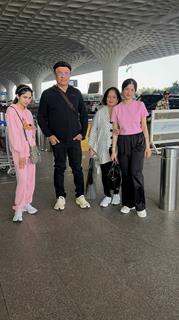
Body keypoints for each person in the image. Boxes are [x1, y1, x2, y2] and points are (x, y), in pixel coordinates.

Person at [37, 61, 90, 210]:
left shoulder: (76, 92)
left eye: (66, 73)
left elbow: (84, 114)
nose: (63, 76)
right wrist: (49, 135)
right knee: (59, 167)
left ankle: (80, 195)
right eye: (60, 73)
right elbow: (41, 117)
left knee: (77, 168)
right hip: (58, 139)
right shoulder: (47, 94)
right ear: (55, 75)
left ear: (70, 74)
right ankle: (60, 197)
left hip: (74, 139)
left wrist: (82, 133)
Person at [111, 78, 151, 218]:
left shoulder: (140, 105)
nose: (129, 92)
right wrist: (113, 150)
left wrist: (148, 146)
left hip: (138, 140)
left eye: (132, 89)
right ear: (122, 90)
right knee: (126, 174)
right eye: (127, 88)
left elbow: (144, 127)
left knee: (136, 173)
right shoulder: (116, 108)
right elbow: (115, 131)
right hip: (123, 141)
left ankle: (140, 205)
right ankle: (128, 203)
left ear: (135, 91)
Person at [6, 85, 38, 222]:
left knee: (31, 178)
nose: (27, 100)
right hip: (20, 152)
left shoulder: (28, 113)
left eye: (29, 98)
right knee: (22, 179)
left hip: (31, 150)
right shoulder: (11, 111)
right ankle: (18, 208)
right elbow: (13, 134)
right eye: (25, 97)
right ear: (18, 96)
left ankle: (27, 203)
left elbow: (31, 130)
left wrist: (33, 146)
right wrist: (21, 153)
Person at [88, 87, 121, 207]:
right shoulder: (100, 112)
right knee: (105, 172)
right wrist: (92, 147)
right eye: (108, 97)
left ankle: (116, 193)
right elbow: (94, 130)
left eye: (114, 97)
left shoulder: (122, 111)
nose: (111, 99)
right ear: (105, 98)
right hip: (103, 147)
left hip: (118, 147)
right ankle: (107, 195)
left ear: (118, 99)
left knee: (117, 172)